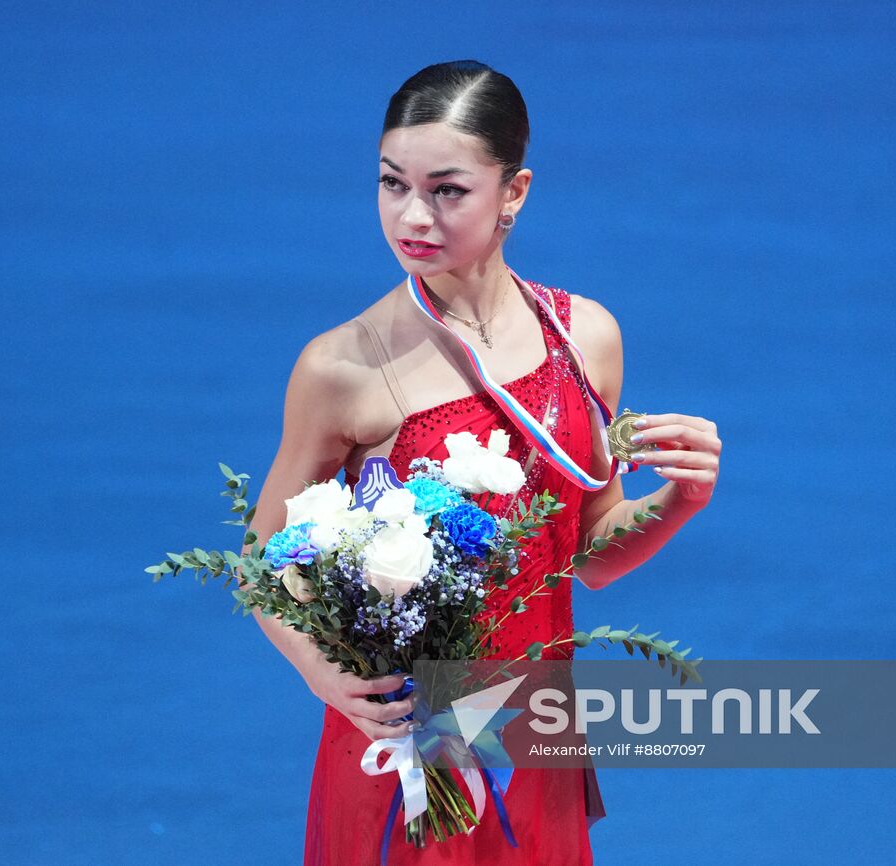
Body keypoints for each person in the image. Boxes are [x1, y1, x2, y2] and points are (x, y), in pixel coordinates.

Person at [247, 60, 721, 865]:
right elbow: (263, 559)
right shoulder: (342, 369)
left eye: (447, 190)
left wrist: (680, 501)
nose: (412, 215)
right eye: (393, 183)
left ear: (516, 192)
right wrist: (326, 678)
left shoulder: (586, 339)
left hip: (531, 735)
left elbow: (587, 555)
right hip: (409, 750)